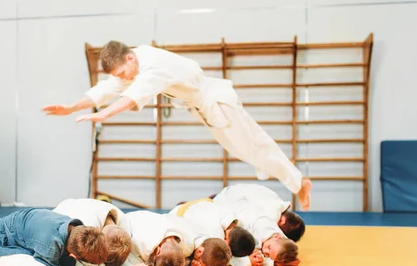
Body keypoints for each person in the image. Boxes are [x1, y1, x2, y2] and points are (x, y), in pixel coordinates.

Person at [42, 41, 312, 210]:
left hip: (217, 101)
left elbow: (131, 97)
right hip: (206, 107)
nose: (123, 79)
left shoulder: (152, 67)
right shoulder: (134, 62)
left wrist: (104, 115)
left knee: (255, 145)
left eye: (123, 73)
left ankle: (299, 182)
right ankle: (287, 176)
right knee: (246, 151)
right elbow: (106, 90)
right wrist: (71, 107)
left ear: (129, 59)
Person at [213, 183, 306, 242]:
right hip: (220, 205)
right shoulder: (270, 216)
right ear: (282, 220)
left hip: (229, 192)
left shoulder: (275, 199)